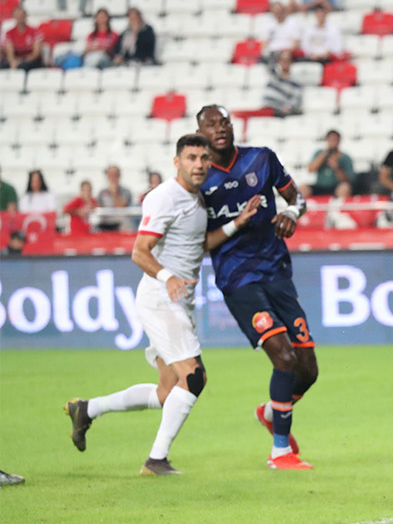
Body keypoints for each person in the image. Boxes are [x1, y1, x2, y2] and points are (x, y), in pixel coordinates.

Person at [64, 134, 258, 476]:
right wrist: (167, 276)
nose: (198, 164)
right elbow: (140, 251)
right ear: (177, 162)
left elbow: (199, 243)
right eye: (191, 158)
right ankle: (156, 461)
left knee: (169, 391)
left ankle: (87, 409)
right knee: (194, 377)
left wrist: (236, 223)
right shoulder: (164, 197)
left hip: (177, 300)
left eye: (203, 158)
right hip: (160, 298)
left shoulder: (197, 200)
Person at [196, 104, 318, 471]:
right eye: (211, 125)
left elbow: (298, 198)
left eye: (225, 122)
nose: (220, 128)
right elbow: (201, 242)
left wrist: (291, 214)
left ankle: (270, 412)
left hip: (277, 271)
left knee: (307, 369)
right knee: (283, 357)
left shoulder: (262, 159)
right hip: (237, 279)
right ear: (201, 132)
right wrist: (237, 222)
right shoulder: (198, 181)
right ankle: (281, 451)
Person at [303, 129, 353, 198]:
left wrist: (337, 168)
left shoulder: (345, 157)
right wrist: (324, 156)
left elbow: (347, 180)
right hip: (319, 186)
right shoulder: (319, 154)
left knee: (344, 188)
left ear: (339, 141)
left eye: (335, 139)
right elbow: (310, 169)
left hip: (336, 187)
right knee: (302, 188)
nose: (333, 142)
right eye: (331, 139)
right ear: (326, 140)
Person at [264, 51, 304, 117]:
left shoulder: (295, 82)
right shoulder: (273, 76)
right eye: (282, 60)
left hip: (281, 112)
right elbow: (267, 58)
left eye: (287, 60)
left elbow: (296, 98)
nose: (285, 62)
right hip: (267, 108)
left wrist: (288, 107)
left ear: (291, 62)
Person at [97, 165, 133, 231]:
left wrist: (114, 193)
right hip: (106, 225)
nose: (112, 178)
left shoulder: (126, 191)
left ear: (119, 176)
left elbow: (121, 206)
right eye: (110, 175)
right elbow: (100, 210)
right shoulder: (102, 192)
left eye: (115, 175)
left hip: (120, 225)